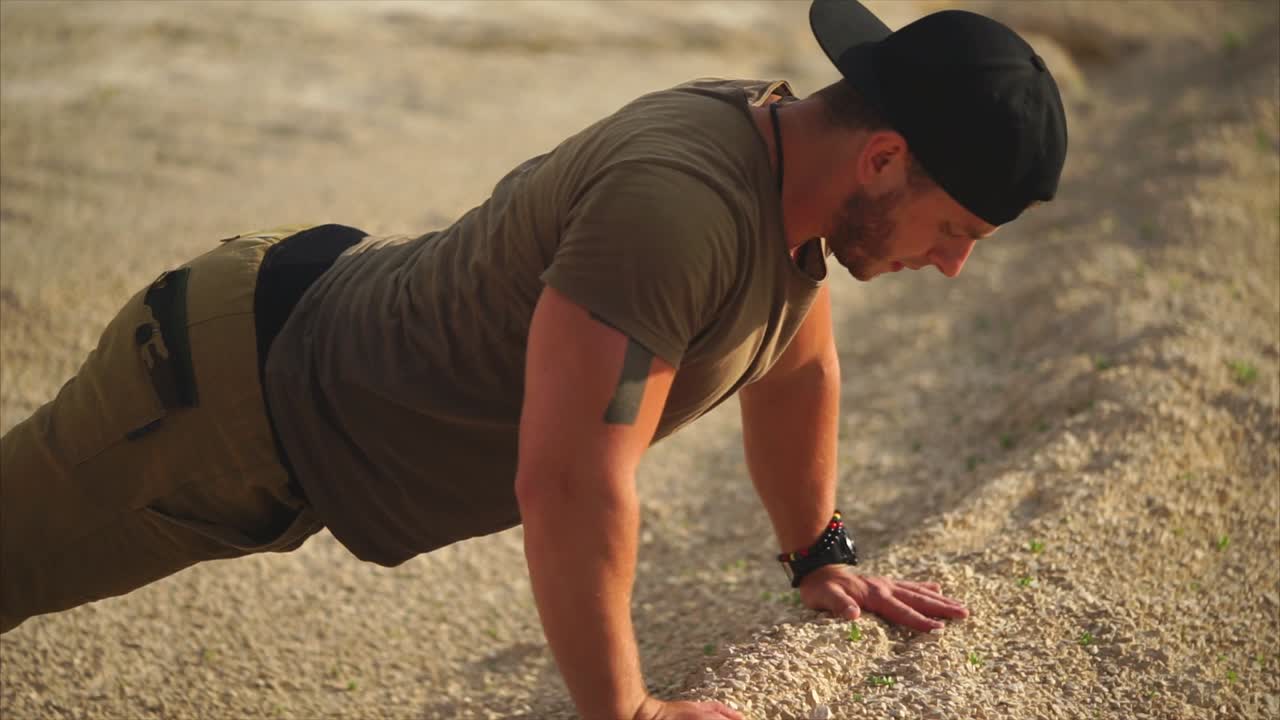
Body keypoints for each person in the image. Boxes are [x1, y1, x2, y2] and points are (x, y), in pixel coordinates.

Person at [0, 1, 1067, 718]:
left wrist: (818, 553)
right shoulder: (677, 213)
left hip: (303, 342)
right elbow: (570, 478)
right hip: (226, 398)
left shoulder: (792, 183)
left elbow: (796, 369)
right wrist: (627, 713)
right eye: (957, 230)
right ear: (881, 158)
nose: (951, 266)